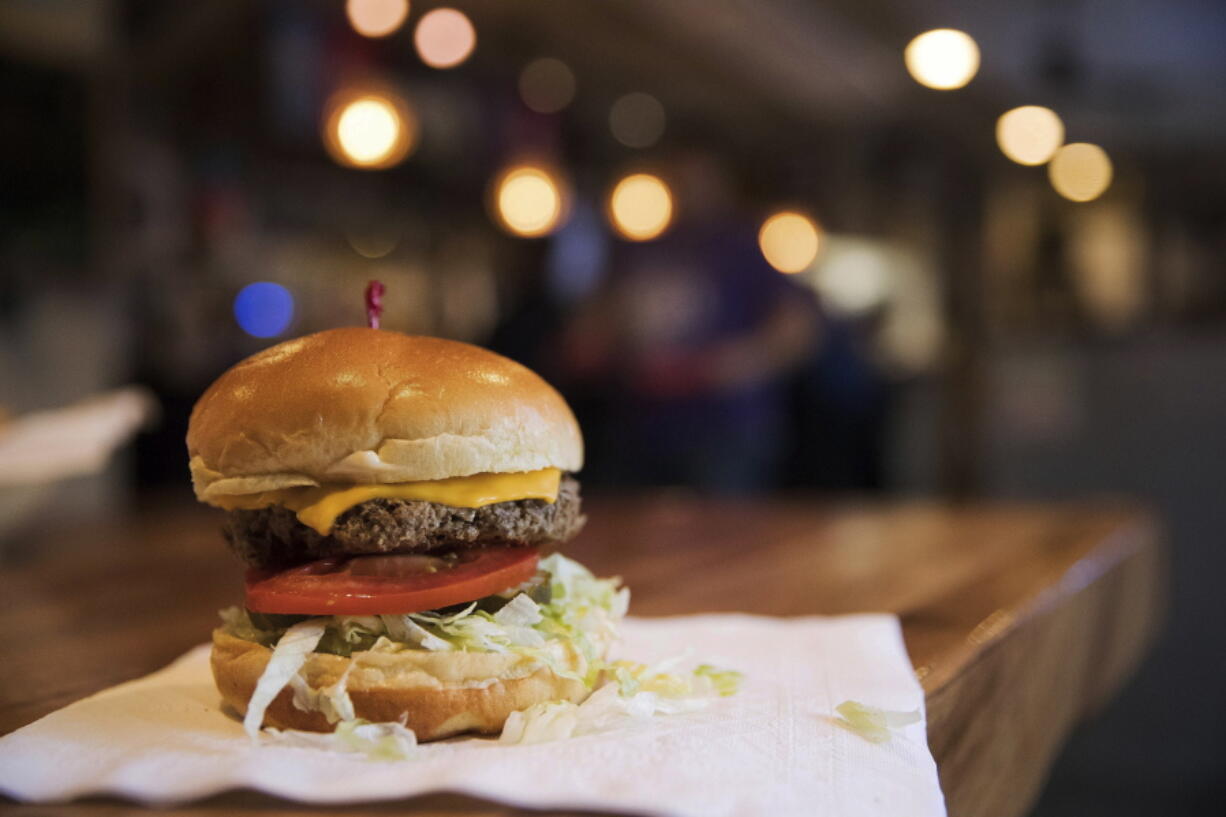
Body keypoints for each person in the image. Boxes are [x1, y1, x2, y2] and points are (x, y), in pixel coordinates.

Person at [560, 152, 817, 494]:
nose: (689, 185)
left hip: (725, 428)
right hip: (640, 426)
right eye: (678, 174)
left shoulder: (745, 244)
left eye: (698, 175)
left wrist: (724, 365)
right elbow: (591, 330)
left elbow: (797, 329)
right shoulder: (636, 241)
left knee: (728, 539)